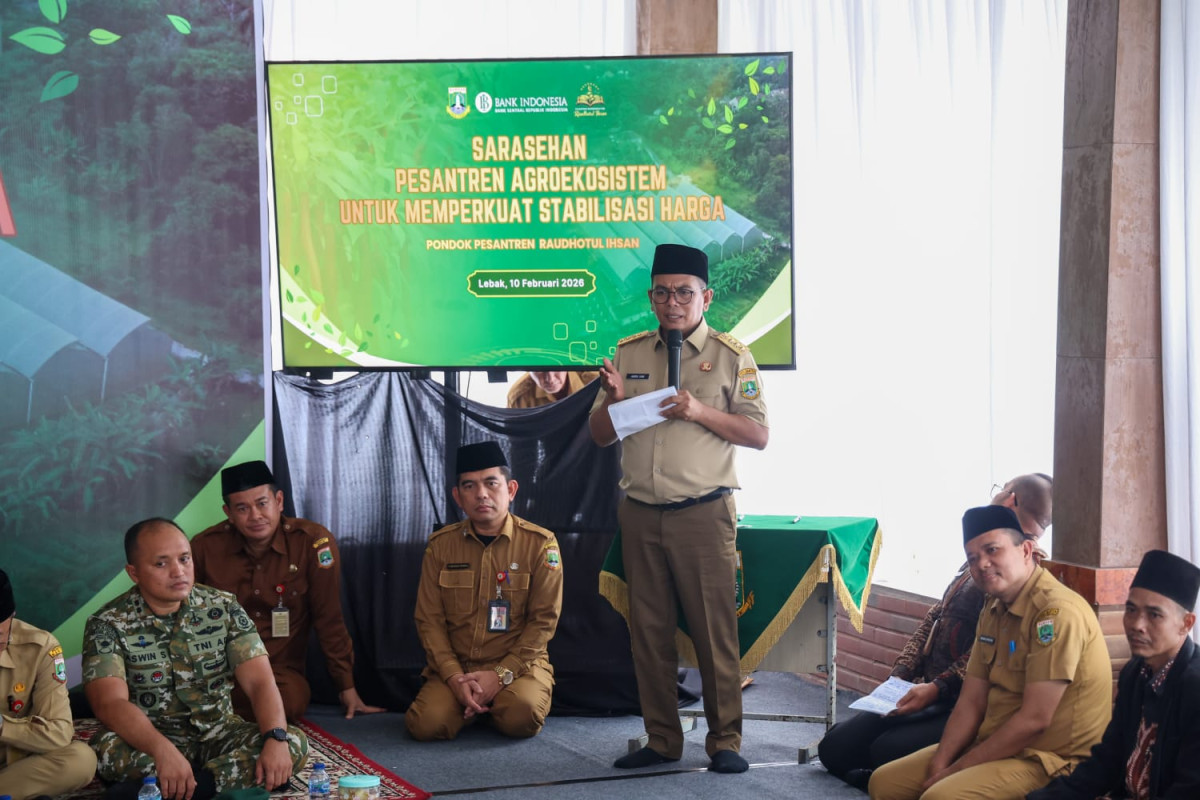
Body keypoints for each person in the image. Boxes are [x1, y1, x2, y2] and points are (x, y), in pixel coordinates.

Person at [588, 242, 769, 774]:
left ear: (705, 296)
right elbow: (599, 435)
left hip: (703, 513)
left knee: (716, 632)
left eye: (684, 293)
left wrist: (699, 411)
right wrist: (616, 403)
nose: (674, 303)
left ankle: (726, 741)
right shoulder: (629, 353)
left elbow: (758, 435)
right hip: (641, 512)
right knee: (648, 632)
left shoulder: (733, 356)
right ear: (651, 297)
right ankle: (662, 739)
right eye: (663, 293)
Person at [819, 474, 1055, 789]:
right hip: (926, 691)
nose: (983, 563)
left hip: (964, 703)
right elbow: (937, 614)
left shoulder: (1026, 568)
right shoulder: (982, 545)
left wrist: (936, 689)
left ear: (1011, 498)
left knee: (883, 752)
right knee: (834, 747)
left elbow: (990, 648)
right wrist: (901, 674)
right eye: (977, 557)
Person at [868, 505, 1111, 800]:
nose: (982, 564)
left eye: (992, 550)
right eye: (973, 558)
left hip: (1049, 760)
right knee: (883, 784)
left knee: (941, 797)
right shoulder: (993, 607)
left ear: (1026, 550)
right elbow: (971, 700)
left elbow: (1035, 720)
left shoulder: (1055, 614)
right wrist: (941, 763)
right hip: (995, 743)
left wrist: (954, 772)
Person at [83, 518, 308, 800]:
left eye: (184, 559)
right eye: (161, 564)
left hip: (219, 734)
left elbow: (260, 681)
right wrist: (163, 750)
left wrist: (275, 738)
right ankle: (219, 782)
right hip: (150, 740)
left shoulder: (222, 607)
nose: (178, 571)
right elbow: (109, 703)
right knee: (103, 751)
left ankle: (180, 788)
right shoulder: (108, 624)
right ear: (134, 572)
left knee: (293, 742)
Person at [191, 460, 382, 722]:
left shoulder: (312, 543)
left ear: (279, 501)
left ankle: (215, 716)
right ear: (229, 513)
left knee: (288, 702)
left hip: (278, 671)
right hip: (222, 668)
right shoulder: (204, 548)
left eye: (262, 503)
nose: (255, 516)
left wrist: (345, 687)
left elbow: (329, 619)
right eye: (242, 508)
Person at [405, 440, 563, 740]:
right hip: (459, 667)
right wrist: (453, 676)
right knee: (427, 725)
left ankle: (491, 704)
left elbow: (543, 623)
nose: (481, 494)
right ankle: (473, 701)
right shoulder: (441, 546)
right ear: (457, 496)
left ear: (511, 489)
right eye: (469, 486)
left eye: (491, 483)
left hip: (519, 667)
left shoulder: (540, 544)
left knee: (522, 717)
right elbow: (429, 620)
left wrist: (501, 676)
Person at [1027, 549, 1200, 799]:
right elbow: (1106, 762)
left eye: (1154, 615)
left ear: (1186, 624)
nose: (1137, 624)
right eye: (1131, 610)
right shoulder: (1135, 673)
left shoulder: (1194, 689)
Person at [0, 569, 97, 800]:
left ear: (12, 616)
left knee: (80, 761)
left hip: (16, 762)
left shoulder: (40, 648)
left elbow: (59, 733)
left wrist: (3, 726)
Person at [506, 370, 600, 409]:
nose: (550, 379)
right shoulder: (520, 397)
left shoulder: (597, 381)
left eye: (556, 367)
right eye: (540, 369)